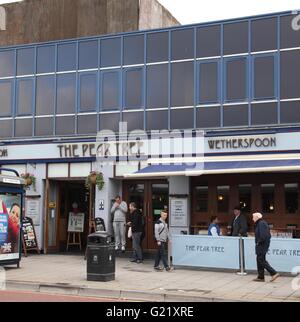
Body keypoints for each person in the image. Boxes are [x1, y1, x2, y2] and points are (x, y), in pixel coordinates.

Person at [252, 212, 280, 282]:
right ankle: (261, 277)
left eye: (253, 217)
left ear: (257, 217)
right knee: (259, 260)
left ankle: (274, 273)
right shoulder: (260, 223)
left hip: (262, 245)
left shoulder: (261, 223)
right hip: (261, 245)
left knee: (261, 260)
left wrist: (259, 242)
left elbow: (263, 235)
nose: (252, 219)